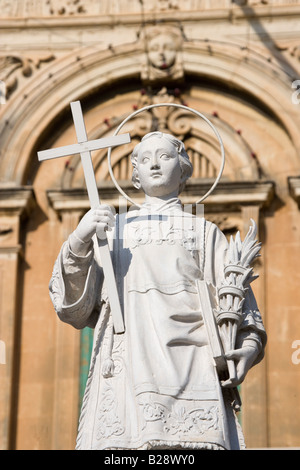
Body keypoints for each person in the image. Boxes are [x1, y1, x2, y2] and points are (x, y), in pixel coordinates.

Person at [49, 132, 266, 450]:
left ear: (183, 170)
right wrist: (80, 240)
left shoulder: (205, 232)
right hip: (129, 362)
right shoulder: (114, 231)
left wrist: (248, 345)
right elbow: (74, 307)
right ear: (133, 174)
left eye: (164, 156)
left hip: (192, 359)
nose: (154, 164)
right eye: (144, 158)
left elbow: (236, 297)